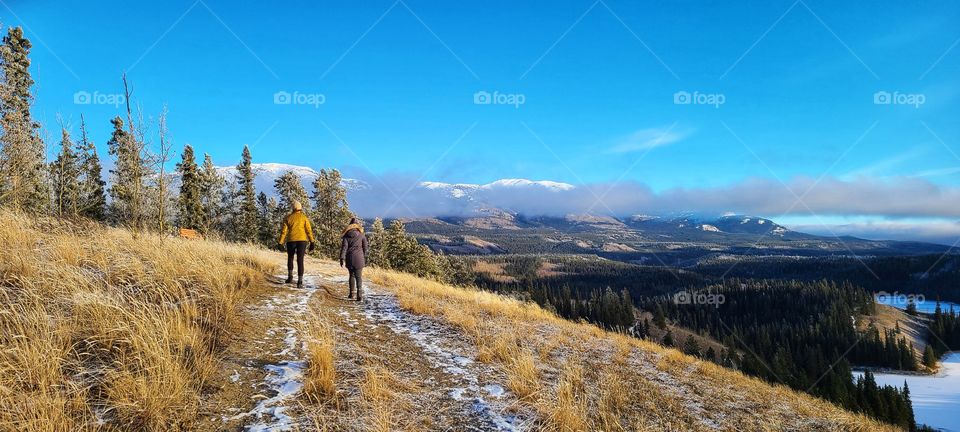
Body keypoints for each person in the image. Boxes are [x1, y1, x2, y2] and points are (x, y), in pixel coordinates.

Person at [278, 200, 315, 288]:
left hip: (291, 240)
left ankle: (290, 277)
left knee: (290, 258)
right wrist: (312, 242)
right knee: (300, 260)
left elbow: (284, 231)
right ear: (300, 208)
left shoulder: (288, 218)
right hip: (302, 240)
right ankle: (300, 282)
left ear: (293, 208)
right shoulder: (304, 217)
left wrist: (280, 242)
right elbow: (309, 231)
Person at [340, 217, 368, 301]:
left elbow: (344, 248)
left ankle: (351, 294)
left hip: (349, 258)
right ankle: (359, 295)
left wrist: (342, 258)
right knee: (358, 277)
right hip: (359, 258)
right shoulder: (362, 235)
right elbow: (365, 248)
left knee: (351, 276)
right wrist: (364, 257)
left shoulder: (346, 236)